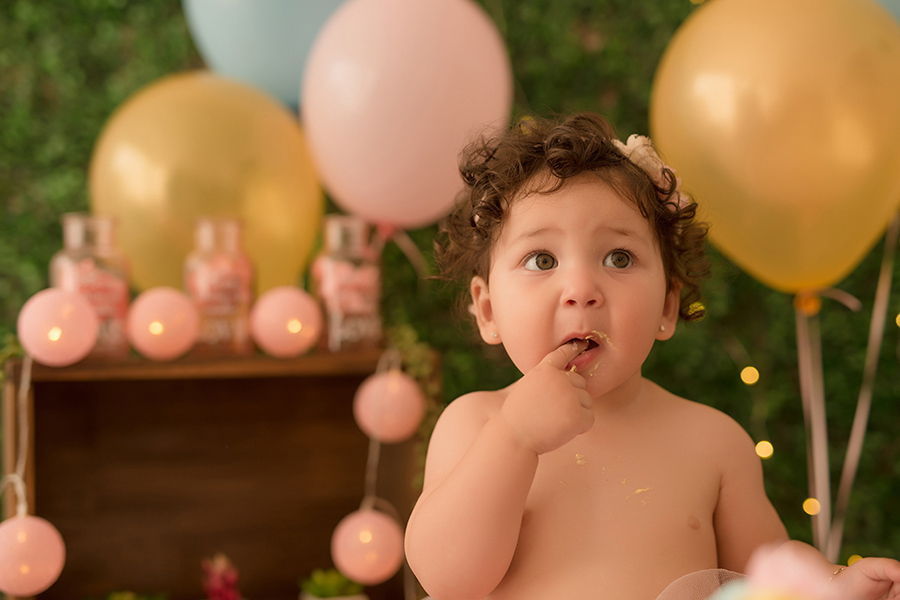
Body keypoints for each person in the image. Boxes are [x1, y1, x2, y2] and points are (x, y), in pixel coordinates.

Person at [404, 112, 900, 600]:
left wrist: (836, 584)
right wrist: (514, 437)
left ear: (667, 307)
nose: (581, 289)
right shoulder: (475, 424)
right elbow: (448, 579)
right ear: (487, 310)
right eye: (542, 260)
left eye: (618, 258)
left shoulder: (713, 442)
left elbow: (770, 572)